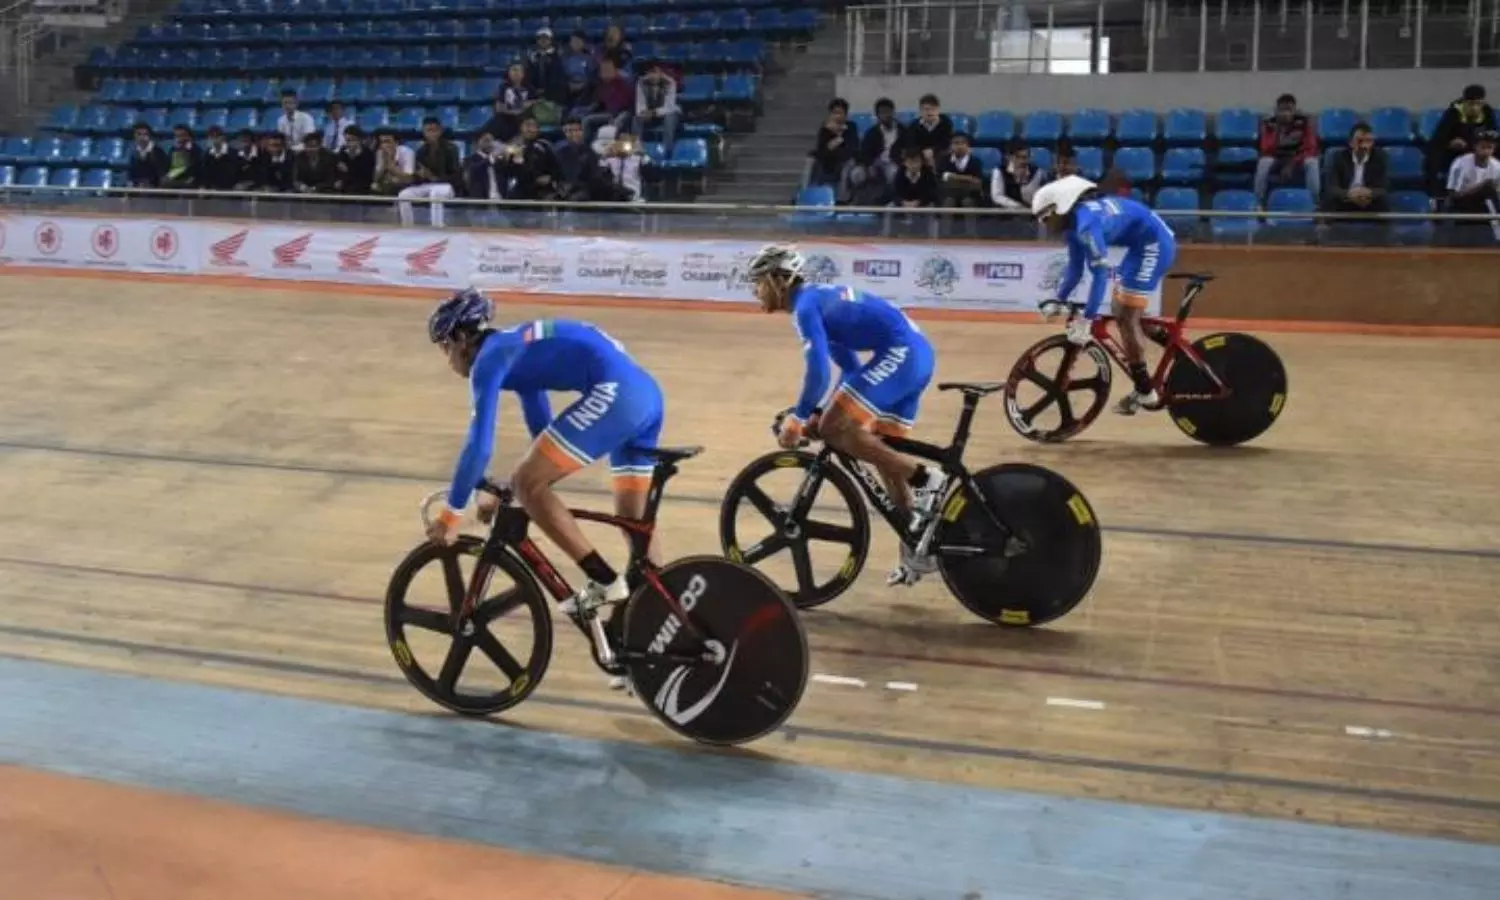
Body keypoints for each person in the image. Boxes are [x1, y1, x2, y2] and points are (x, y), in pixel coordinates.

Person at [423, 290, 666, 686]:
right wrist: (519, 486)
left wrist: (453, 513)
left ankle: (604, 582)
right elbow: (544, 436)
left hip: (617, 394)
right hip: (645, 395)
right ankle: (656, 621)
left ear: (462, 339)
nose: (446, 357)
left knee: (527, 481)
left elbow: (478, 444)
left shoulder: (490, 360)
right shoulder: (515, 350)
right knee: (633, 526)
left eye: (444, 346)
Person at [746, 244, 942, 586]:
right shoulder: (818, 302)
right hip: (913, 354)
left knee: (836, 429)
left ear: (779, 280)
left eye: (759, 281)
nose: (755, 290)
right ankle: (917, 551)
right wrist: (819, 413)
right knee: (884, 457)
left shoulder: (806, 307)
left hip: (903, 354)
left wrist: (800, 416)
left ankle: (927, 479)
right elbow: (849, 369)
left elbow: (819, 372)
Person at [1033, 175, 1177, 415]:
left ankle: (1145, 390)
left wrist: (1087, 320)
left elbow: (1100, 275)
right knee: (1124, 311)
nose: (1044, 225)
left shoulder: (1086, 225)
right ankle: (1174, 350)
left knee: (1126, 316)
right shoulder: (1073, 226)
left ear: (1061, 207)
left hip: (1154, 244)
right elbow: (1075, 269)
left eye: (1046, 218)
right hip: (1140, 245)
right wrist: (1059, 299)